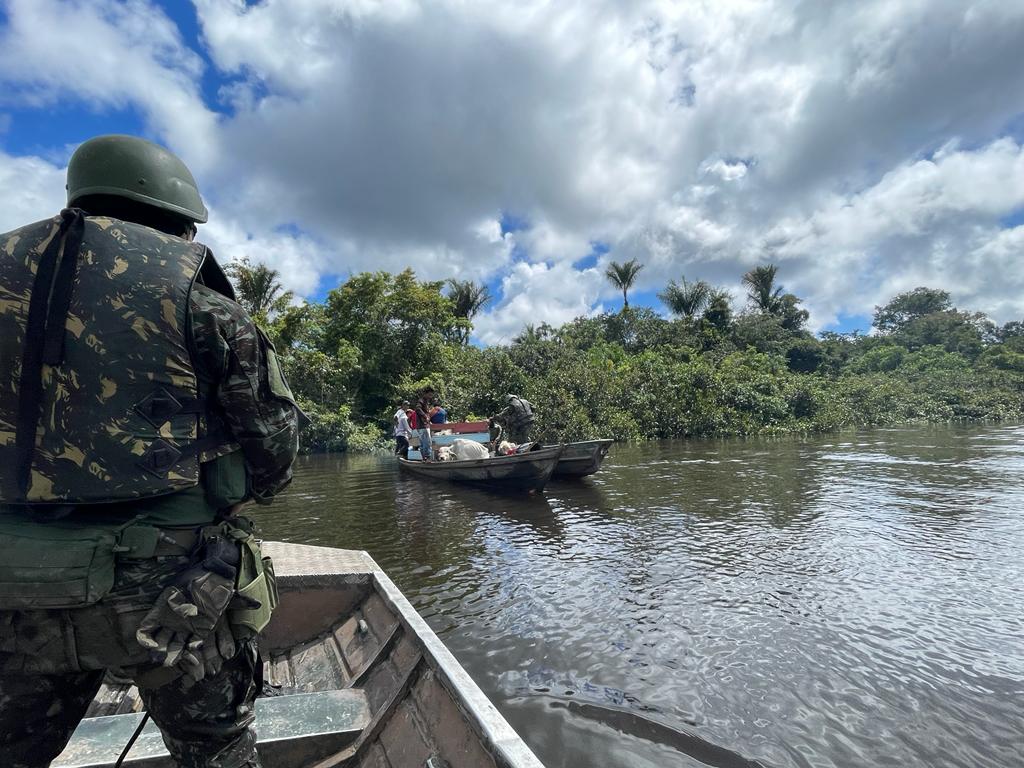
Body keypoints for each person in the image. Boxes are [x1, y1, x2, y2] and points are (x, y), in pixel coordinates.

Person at [0, 134, 301, 768]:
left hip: (12, 586)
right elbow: (273, 450)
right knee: (216, 752)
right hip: (172, 593)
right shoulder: (200, 295)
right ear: (179, 217)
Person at [414, 389, 435, 461]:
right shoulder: (421, 401)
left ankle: (424, 458)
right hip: (423, 425)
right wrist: (425, 416)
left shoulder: (425, 402)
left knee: (423, 443)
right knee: (427, 442)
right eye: (429, 394)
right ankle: (427, 458)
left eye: (431, 395)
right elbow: (417, 409)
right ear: (425, 394)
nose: (430, 396)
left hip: (421, 426)